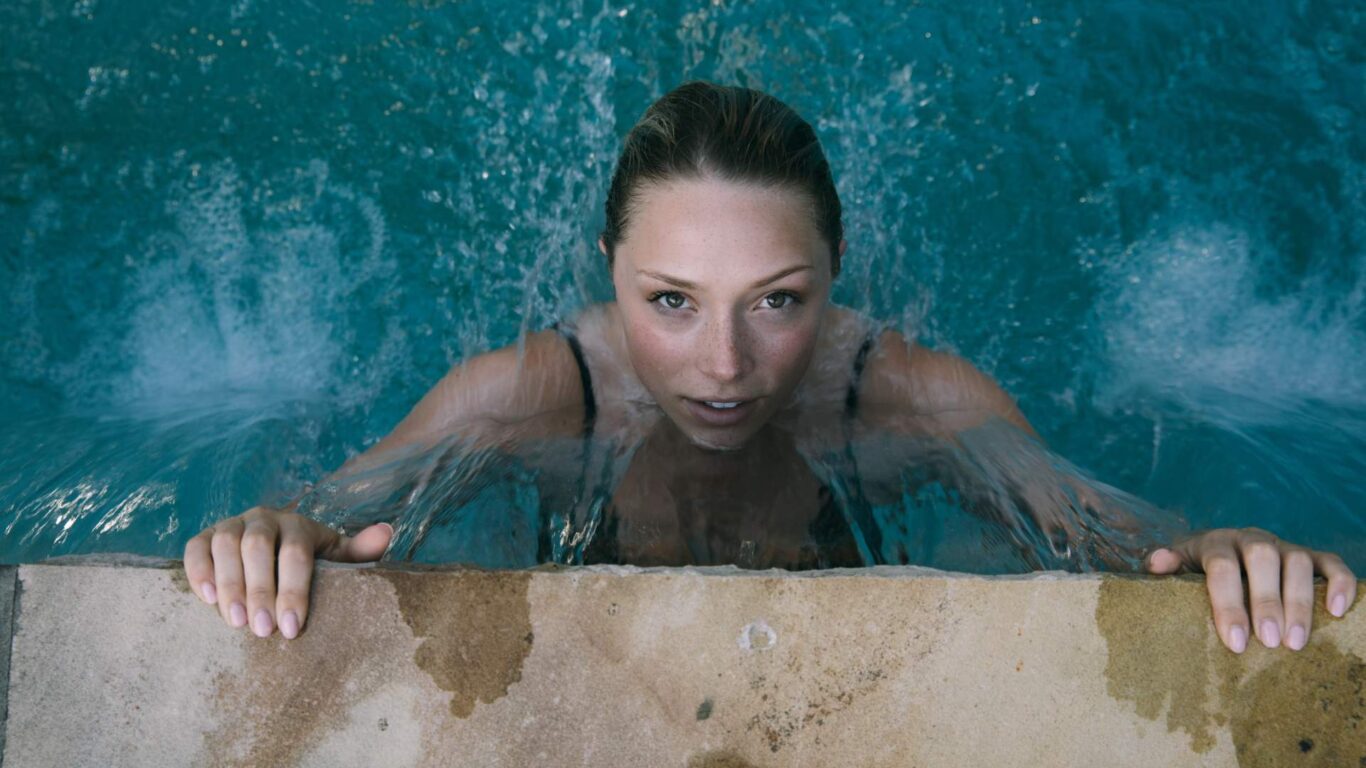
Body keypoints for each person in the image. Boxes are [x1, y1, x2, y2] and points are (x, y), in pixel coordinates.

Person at [183, 81, 1356, 654]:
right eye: (672, 304)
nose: (726, 366)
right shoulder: (531, 395)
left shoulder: (913, 398)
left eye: (779, 303)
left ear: (837, 269)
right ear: (611, 268)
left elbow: (1103, 531)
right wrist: (273, 535)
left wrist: (1211, 553)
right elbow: (330, 515)